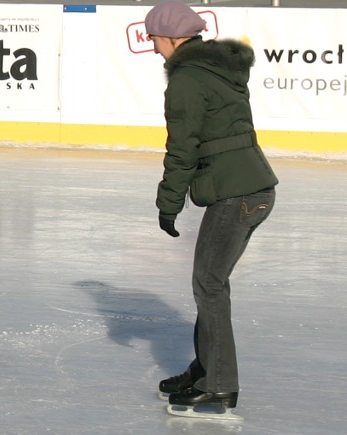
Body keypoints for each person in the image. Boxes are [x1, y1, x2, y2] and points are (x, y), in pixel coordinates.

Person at [145, 0, 279, 414]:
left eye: (155, 40)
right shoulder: (217, 69)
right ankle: (205, 368)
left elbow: (182, 149)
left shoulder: (187, 79)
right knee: (210, 282)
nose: (153, 50)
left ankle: (219, 383)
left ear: (171, 37)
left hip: (237, 193)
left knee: (209, 283)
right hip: (249, 187)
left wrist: (169, 203)